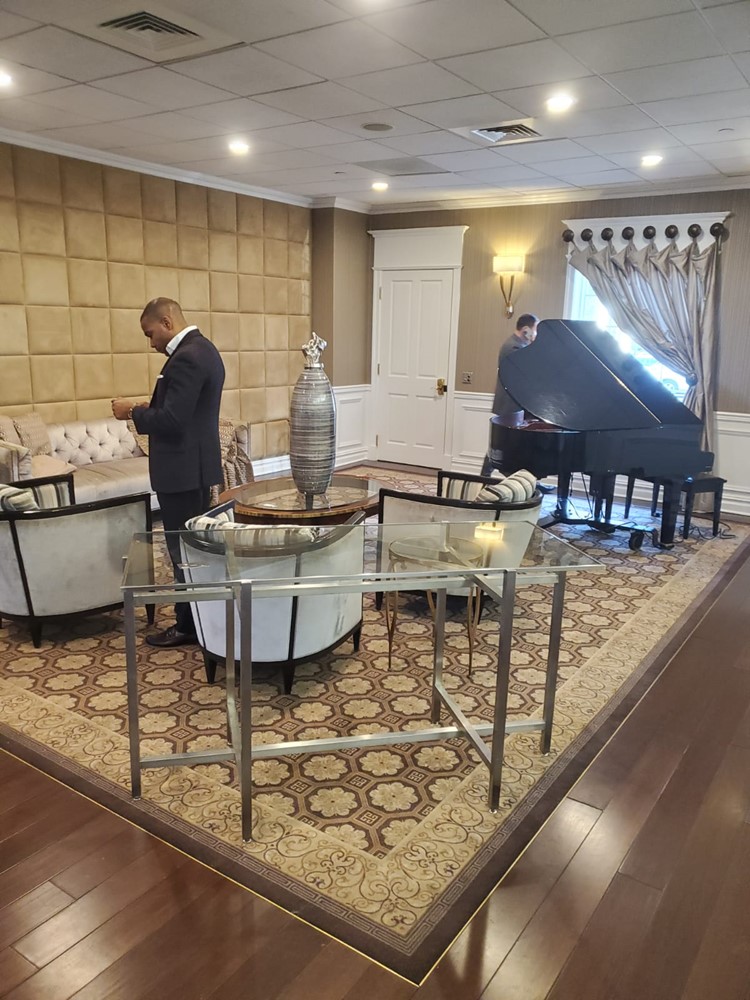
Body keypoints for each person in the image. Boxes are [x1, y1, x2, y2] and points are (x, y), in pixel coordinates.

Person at [112, 298, 225, 648]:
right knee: (195, 548)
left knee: (182, 552)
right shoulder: (204, 349)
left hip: (181, 471)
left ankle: (188, 626)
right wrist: (153, 407)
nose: (151, 343)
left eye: (150, 334)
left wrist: (132, 412)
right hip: (194, 468)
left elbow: (174, 421)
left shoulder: (187, 357)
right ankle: (202, 619)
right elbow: (185, 412)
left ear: (166, 322)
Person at [480, 313, 539, 476]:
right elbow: (524, 375)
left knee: (502, 443)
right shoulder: (514, 347)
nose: (536, 335)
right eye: (535, 330)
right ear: (526, 330)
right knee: (502, 444)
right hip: (509, 404)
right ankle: (488, 476)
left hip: (511, 404)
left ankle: (514, 478)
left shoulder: (518, 345)